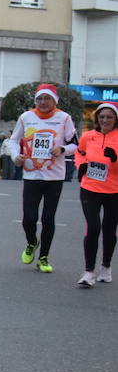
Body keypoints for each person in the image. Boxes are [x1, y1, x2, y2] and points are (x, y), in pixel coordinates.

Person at [6, 83, 77, 274]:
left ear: (55, 101)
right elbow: (13, 141)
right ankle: (32, 242)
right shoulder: (26, 117)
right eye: (40, 99)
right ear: (35, 100)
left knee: (48, 218)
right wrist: (16, 156)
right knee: (29, 218)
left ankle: (44, 257)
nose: (43, 102)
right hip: (31, 173)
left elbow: (75, 145)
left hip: (54, 176)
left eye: (47, 99)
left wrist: (61, 149)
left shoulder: (64, 118)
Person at [75, 102, 118, 287]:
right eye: (102, 117)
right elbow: (79, 153)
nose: (105, 120)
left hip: (114, 190)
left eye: (109, 117)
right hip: (90, 187)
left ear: (115, 119)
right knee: (93, 227)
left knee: (109, 230)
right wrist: (81, 165)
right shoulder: (88, 136)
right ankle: (89, 272)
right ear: (97, 118)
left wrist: (115, 159)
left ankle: (106, 266)